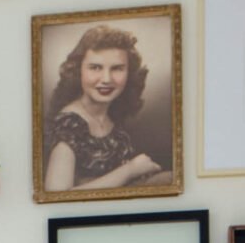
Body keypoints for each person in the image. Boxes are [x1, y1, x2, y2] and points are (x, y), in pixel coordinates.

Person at [42, 25, 170, 195]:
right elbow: (55, 196)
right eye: (95, 68)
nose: (106, 79)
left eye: (117, 68)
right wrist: (130, 170)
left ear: (129, 72)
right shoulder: (70, 124)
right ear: (78, 70)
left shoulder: (112, 114)